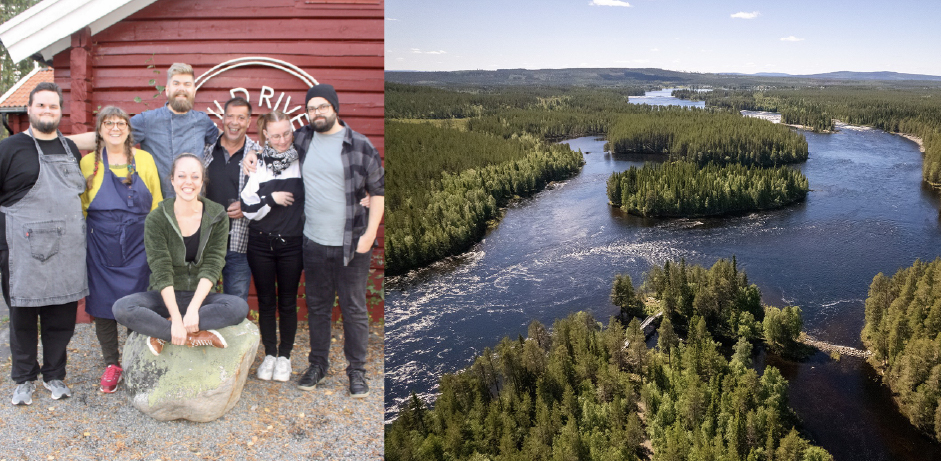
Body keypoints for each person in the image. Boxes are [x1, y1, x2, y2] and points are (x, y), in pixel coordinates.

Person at [246, 84, 384, 397]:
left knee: (354, 309)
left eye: (322, 106)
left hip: (352, 244)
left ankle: (357, 372)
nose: (317, 112)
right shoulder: (303, 139)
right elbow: (275, 147)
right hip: (313, 242)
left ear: (335, 107)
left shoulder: (360, 145)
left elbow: (378, 192)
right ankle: (318, 365)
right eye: (311, 108)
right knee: (318, 307)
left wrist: (370, 235)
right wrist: (252, 155)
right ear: (307, 114)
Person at [0, 82, 87, 405]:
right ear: (30, 110)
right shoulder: (10, 149)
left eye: (53, 106)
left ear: (60, 111)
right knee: (22, 318)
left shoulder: (70, 149)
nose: (47, 111)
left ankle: (54, 375)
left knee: (60, 320)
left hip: (65, 250)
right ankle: (23, 379)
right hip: (23, 250)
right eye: (41, 106)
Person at [112, 154, 249, 355]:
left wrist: (193, 310)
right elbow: (161, 269)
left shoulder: (216, 215)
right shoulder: (156, 219)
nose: (188, 182)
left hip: (200, 298)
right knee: (122, 308)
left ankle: (162, 331)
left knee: (238, 307)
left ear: (202, 182)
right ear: (173, 180)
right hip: (164, 296)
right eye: (182, 176)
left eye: (195, 177)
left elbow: (213, 264)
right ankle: (189, 335)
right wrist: (176, 318)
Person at [80, 106, 162, 393]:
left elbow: (157, 204)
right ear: (100, 129)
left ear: (129, 129)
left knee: (135, 303)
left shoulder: (145, 160)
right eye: (108, 123)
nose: (115, 128)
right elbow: (81, 207)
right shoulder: (88, 163)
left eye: (121, 123)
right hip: (101, 244)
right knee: (103, 305)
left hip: (139, 244)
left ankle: (132, 360)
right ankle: (112, 364)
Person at [68, 63, 218, 198]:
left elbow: (223, 142)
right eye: (176, 83)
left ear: (194, 90)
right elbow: (108, 136)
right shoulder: (148, 120)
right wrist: (61, 141)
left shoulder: (203, 121)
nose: (181, 88)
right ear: (167, 89)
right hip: (159, 209)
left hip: (195, 207)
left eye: (187, 84)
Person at [239, 111, 304, 382]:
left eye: (287, 133)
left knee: (288, 302)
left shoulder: (303, 160)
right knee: (266, 302)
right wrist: (272, 198)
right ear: (265, 134)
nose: (282, 140)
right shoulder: (257, 163)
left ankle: (285, 357)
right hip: (261, 244)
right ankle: (269, 354)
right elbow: (247, 207)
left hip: (292, 244)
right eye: (275, 135)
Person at [202, 97, 260, 302]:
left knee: (235, 303)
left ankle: (231, 335)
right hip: (205, 242)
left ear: (248, 121)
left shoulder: (258, 155)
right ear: (223, 118)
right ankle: (206, 336)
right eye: (230, 116)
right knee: (201, 301)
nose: (235, 122)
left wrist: (247, 207)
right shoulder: (206, 151)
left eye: (241, 117)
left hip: (239, 243)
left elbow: (268, 194)